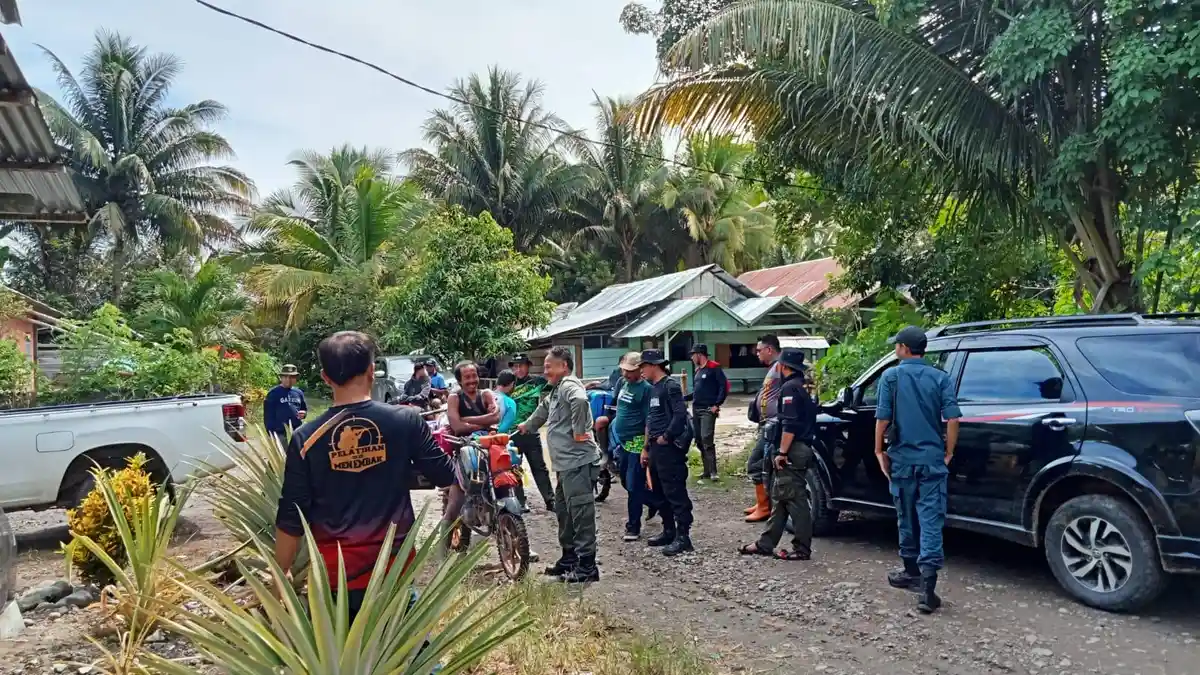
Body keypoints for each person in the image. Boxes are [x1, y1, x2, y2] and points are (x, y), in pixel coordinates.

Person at [274, 332, 456, 622]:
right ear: (372, 370)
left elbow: (291, 514)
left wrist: (280, 572)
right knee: (410, 655)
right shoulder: (404, 420)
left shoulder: (305, 438)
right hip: (393, 569)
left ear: (325, 377)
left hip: (334, 576)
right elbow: (444, 474)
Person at [875, 325, 962, 615]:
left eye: (896, 345)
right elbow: (951, 419)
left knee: (905, 515)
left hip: (902, 460)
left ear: (903, 348)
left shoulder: (891, 377)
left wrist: (878, 450)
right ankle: (927, 589)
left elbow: (883, 419)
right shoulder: (941, 378)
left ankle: (910, 570)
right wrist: (948, 451)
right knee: (931, 519)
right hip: (932, 460)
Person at [519, 346, 603, 583]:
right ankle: (569, 558)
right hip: (565, 466)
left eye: (548, 367)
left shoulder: (569, 386)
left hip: (578, 463)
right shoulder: (556, 390)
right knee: (565, 514)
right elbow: (542, 411)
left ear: (563, 366)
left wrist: (579, 431)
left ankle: (587, 567)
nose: (545, 371)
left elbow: (580, 400)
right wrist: (525, 426)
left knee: (581, 514)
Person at [738, 348, 816, 561]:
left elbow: (789, 425)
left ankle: (801, 548)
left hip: (793, 448)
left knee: (795, 499)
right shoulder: (802, 386)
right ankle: (766, 543)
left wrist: (782, 452)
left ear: (782, 366)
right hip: (800, 446)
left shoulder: (790, 388)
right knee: (782, 497)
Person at [640, 349, 694, 557]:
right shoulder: (654, 388)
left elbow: (680, 414)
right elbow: (651, 419)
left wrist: (667, 436)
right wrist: (646, 447)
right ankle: (668, 529)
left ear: (654, 365)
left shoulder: (670, 385)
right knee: (659, 492)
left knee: (674, 491)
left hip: (669, 449)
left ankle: (683, 536)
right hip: (655, 448)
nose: (642, 370)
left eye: (644, 366)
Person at [603, 352, 652, 541]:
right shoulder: (623, 384)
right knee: (625, 481)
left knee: (633, 485)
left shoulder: (645, 389)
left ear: (640, 370)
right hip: (622, 442)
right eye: (624, 370)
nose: (626, 374)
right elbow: (618, 407)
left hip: (637, 442)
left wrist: (645, 448)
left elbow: (649, 419)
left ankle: (633, 526)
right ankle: (655, 501)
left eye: (630, 371)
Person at [508, 354, 555, 511]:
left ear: (528, 366)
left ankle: (550, 500)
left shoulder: (537, 382)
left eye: (522, 365)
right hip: (512, 433)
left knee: (539, 467)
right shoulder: (508, 383)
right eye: (516, 366)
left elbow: (556, 388)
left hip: (531, 430)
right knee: (515, 467)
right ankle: (520, 501)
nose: (519, 369)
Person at [745, 335, 783, 522]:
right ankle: (762, 502)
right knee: (761, 463)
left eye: (759, 350)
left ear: (769, 350)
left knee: (755, 464)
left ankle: (765, 506)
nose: (757, 354)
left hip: (775, 425)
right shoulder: (774, 368)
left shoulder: (783, 367)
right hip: (767, 424)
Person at [686, 344, 727, 481]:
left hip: (708, 409)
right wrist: (683, 398)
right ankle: (707, 471)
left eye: (693, 355)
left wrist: (717, 404)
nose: (691, 358)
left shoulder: (714, 368)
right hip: (696, 409)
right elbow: (697, 392)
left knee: (706, 438)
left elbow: (724, 386)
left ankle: (714, 471)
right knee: (698, 439)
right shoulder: (698, 371)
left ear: (699, 354)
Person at [447, 361, 499, 435]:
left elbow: (495, 418)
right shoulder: (454, 398)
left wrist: (465, 420)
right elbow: (458, 428)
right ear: (459, 381)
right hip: (464, 444)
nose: (472, 380)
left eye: (474, 376)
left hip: (488, 441)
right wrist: (486, 424)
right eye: (467, 377)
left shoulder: (486, 394)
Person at [265, 364, 307, 448]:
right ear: (281, 378)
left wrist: (304, 414)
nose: (289, 380)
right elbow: (268, 416)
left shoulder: (298, 393)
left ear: (296, 378)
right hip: (279, 433)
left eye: (292, 377)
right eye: (286, 377)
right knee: (283, 458)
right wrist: (271, 434)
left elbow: (304, 409)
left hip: (296, 432)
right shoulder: (273, 393)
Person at [492, 369, 519, 434]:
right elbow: (505, 426)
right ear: (512, 383)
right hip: (497, 438)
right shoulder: (510, 403)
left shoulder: (485, 396)